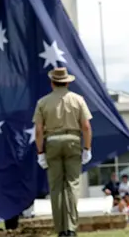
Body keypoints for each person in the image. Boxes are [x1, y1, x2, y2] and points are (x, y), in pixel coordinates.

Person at [33, 66, 93, 237]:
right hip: (73, 141)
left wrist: (40, 153)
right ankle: (71, 228)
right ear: (67, 83)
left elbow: (38, 131)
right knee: (72, 186)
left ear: (52, 83)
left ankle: (61, 230)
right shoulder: (78, 99)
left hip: (51, 142)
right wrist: (87, 148)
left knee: (56, 187)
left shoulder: (43, 102)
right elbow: (86, 127)